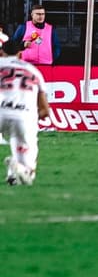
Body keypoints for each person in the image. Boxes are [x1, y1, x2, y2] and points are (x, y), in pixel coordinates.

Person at [0, 39, 51, 186]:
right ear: (20, 54)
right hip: (23, 115)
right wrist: (34, 119)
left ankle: (15, 173)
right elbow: (44, 110)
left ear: (1, 52)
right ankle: (21, 169)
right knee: (26, 142)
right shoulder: (33, 71)